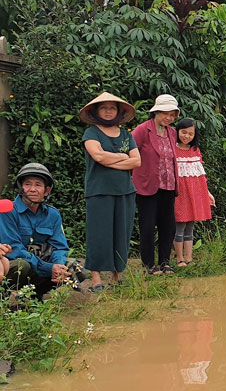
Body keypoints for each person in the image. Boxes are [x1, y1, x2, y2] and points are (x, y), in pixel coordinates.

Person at [80, 92, 141, 293]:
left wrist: (111, 159)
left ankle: (117, 277)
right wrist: (122, 157)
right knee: (99, 233)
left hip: (125, 191)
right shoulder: (91, 133)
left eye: (112, 108)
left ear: (118, 111)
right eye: (104, 107)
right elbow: (98, 157)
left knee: (121, 233)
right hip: (99, 191)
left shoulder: (126, 135)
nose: (108, 111)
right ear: (96, 111)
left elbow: (137, 161)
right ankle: (96, 279)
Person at [0, 163, 71, 295]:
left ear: (47, 191)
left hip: (41, 264)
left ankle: (36, 296)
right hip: (14, 263)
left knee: (73, 267)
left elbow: (60, 247)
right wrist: (49, 268)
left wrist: (59, 266)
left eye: (38, 185)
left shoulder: (53, 214)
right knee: (22, 265)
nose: (32, 189)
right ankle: (4, 297)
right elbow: (14, 249)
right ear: (21, 188)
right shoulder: (7, 210)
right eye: (27, 184)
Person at [133, 94, 180, 274]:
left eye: (172, 114)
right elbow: (129, 152)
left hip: (168, 185)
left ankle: (165, 262)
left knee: (168, 226)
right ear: (156, 112)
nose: (168, 118)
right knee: (147, 225)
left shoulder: (172, 132)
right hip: (147, 186)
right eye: (165, 113)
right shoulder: (142, 130)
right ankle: (148, 265)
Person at [172, 118, 215, 267]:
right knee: (179, 226)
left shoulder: (195, 150)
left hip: (195, 194)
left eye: (190, 134)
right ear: (177, 131)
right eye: (184, 132)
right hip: (179, 195)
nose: (186, 136)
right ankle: (179, 259)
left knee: (190, 226)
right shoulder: (172, 149)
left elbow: (201, 175)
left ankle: (189, 258)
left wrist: (207, 193)